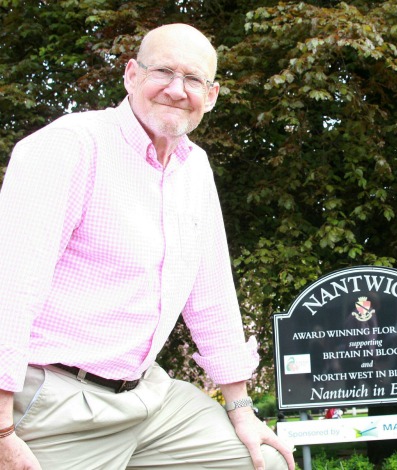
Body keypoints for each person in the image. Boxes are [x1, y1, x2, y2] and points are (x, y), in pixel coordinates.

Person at [0, 23, 295, 469]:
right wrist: (1, 431)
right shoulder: (70, 146)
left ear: (211, 96)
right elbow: (10, 289)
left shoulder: (194, 167)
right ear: (131, 75)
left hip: (148, 399)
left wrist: (241, 409)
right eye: (163, 72)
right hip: (54, 401)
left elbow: (211, 295)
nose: (177, 90)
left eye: (193, 79)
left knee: (263, 462)